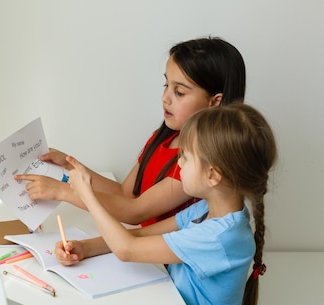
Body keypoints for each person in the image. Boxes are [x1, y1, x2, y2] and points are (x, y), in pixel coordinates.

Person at [56, 103, 278, 305]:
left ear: (213, 175)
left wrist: (87, 195)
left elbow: (127, 249)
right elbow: (139, 236)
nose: (179, 165)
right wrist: (86, 248)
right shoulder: (206, 211)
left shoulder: (220, 237)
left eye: (185, 157)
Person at [15, 37, 247, 226]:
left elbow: (135, 213)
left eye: (180, 92)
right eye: (166, 85)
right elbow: (126, 193)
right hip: (139, 250)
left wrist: (63, 191)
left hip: (163, 266)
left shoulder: (197, 164)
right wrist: (70, 166)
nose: (165, 97)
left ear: (215, 102)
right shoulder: (163, 136)